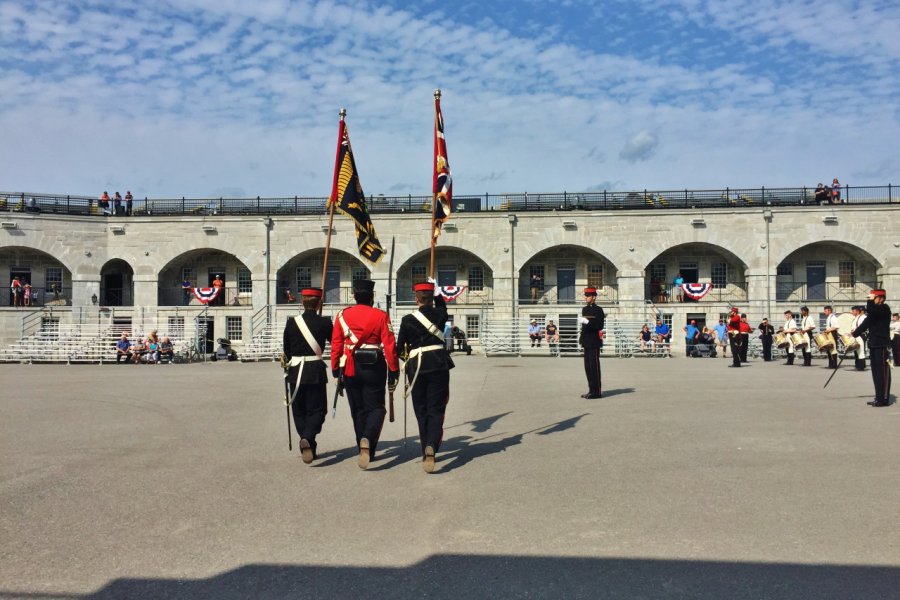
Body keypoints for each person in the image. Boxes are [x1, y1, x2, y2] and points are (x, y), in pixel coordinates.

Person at [330, 279, 400, 470]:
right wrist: (394, 369)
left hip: (350, 366)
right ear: (372, 296)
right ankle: (368, 440)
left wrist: (335, 369)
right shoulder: (381, 316)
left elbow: (336, 344)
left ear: (354, 295)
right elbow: (389, 345)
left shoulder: (342, 315)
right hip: (374, 365)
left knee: (358, 409)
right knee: (376, 408)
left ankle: (363, 444)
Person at [396, 281, 455, 473]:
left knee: (421, 410)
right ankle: (432, 445)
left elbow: (400, 350)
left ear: (416, 299)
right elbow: (443, 307)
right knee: (436, 409)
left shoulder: (407, 320)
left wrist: (409, 361)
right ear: (431, 299)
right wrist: (437, 293)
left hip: (416, 368)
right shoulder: (440, 314)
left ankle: (425, 449)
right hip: (438, 364)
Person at [284, 287, 333, 464]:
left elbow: (286, 350)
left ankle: (307, 442)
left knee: (299, 410)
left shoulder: (291, 323)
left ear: (302, 302)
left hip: (295, 371)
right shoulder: (325, 323)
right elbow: (335, 343)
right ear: (319, 303)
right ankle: (308, 437)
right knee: (318, 409)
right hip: (315, 371)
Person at [851, 290, 891, 407]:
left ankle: (883, 398)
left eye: (874, 298)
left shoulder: (884, 308)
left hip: (882, 344)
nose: (871, 300)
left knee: (882, 372)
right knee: (876, 373)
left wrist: (869, 301)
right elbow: (865, 324)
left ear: (881, 298)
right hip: (873, 344)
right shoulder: (874, 311)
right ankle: (878, 397)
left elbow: (872, 312)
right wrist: (854, 334)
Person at [578, 286, 605, 399]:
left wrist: (587, 322)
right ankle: (591, 390)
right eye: (585, 295)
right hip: (587, 341)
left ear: (593, 297)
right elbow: (584, 327)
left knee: (594, 367)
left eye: (588, 296)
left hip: (594, 341)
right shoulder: (585, 309)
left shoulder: (598, 310)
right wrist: (581, 338)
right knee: (588, 367)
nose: (586, 297)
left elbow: (599, 326)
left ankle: (597, 391)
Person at [850, 305, 867, 371]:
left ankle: (861, 366)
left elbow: (861, 327)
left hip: (861, 335)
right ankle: (858, 365)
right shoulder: (856, 318)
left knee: (861, 350)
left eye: (853, 311)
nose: (852, 312)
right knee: (856, 350)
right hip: (856, 335)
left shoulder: (863, 317)